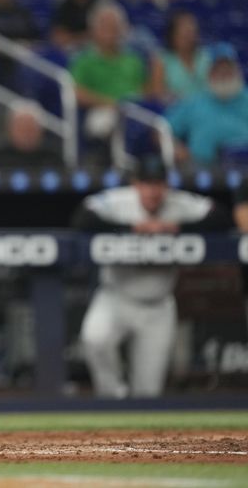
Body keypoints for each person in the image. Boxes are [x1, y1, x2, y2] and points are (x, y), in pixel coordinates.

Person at [71, 156, 230, 398]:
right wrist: (132, 229)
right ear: (136, 184)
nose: (153, 191)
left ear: (167, 185)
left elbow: (221, 217)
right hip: (115, 297)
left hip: (158, 306)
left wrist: (177, 228)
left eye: (158, 184)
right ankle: (114, 396)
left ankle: (136, 423)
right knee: (95, 339)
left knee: (148, 391)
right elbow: (81, 218)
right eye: (146, 183)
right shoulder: (120, 200)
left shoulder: (179, 204)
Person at [165, 42, 248, 166]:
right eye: (219, 70)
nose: (224, 74)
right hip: (200, 168)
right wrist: (177, 148)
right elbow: (162, 129)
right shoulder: (194, 101)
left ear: (236, 71)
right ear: (210, 73)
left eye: (228, 69)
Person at [149, 10, 211, 103]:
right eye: (184, 32)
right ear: (173, 35)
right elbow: (157, 95)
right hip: (174, 110)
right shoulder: (162, 60)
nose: (188, 35)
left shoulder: (206, 57)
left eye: (191, 31)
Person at [0, 100, 64, 168]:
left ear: (40, 130)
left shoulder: (53, 159)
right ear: (10, 129)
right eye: (21, 128)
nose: (26, 133)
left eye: (30, 128)